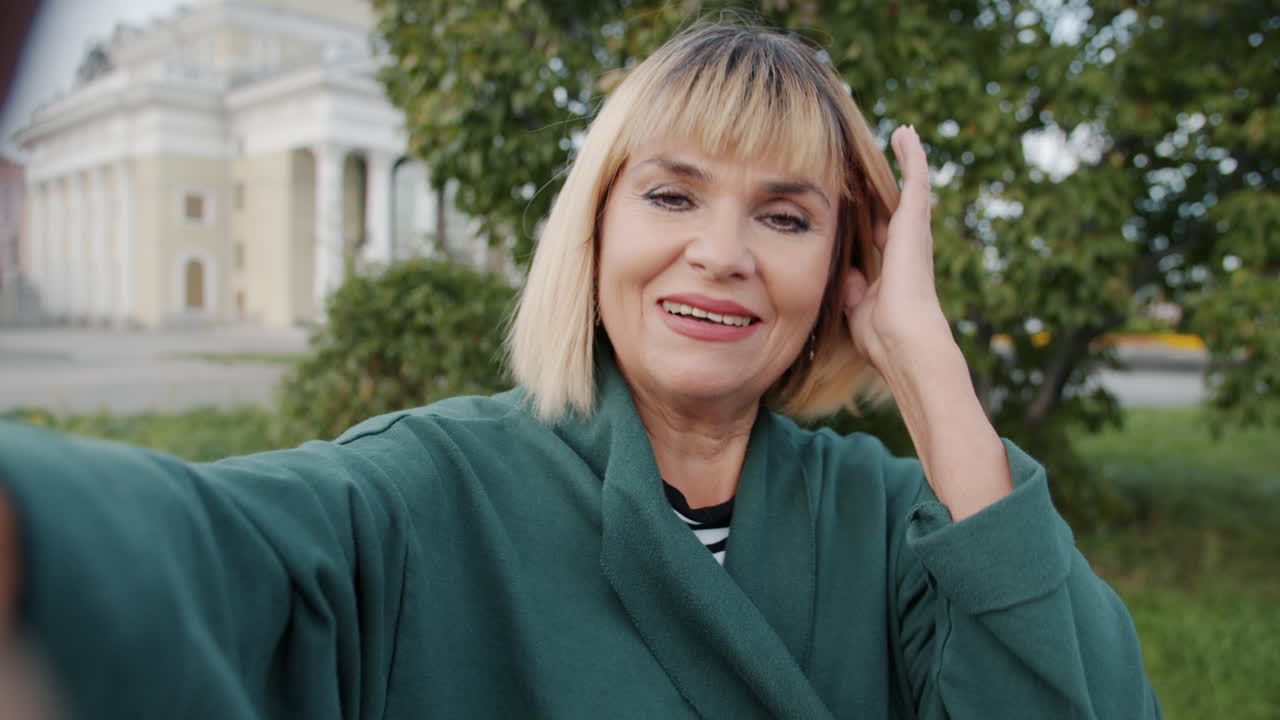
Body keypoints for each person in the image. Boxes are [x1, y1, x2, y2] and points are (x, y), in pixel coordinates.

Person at [0, 22, 1160, 720]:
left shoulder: (901, 523)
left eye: (785, 216)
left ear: (841, 269)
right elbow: (196, 556)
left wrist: (926, 364)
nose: (720, 251)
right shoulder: (421, 492)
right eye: (669, 194)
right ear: (593, 229)